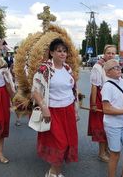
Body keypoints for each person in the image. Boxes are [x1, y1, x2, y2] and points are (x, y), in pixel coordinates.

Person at [31, 38, 79, 177]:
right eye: (59, 51)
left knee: (67, 142)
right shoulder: (44, 69)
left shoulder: (68, 69)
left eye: (64, 51)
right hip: (53, 112)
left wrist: (75, 110)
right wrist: (44, 108)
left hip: (68, 111)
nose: (62, 54)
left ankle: (56, 172)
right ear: (51, 53)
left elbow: (72, 90)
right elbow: (35, 91)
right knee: (60, 143)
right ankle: (52, 172)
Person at [88, 44, 116, 162]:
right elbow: (94, 86)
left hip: (109, 98)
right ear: (104, 53)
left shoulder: (114, 66)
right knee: (102, 127)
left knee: (110, 125)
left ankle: (106, 149)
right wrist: (94, 104)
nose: (110, 55)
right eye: (108, 53)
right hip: (100, 98)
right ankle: (101, 152)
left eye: (113, 53)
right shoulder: (98, 67)